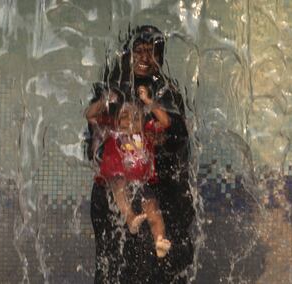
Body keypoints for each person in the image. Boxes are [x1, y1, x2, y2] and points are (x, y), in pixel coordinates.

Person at [87, 25, 195, 283]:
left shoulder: (167, 94)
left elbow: (181, 141)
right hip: (117, 193)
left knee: (160, 262)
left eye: (153, 52)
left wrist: (163, 142)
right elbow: (92, 142)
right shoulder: (111, 93)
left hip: (159, 190)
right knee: (115, 263)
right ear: (127, 54)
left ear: (161, 57)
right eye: (139, 51)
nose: (145, 58)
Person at [86, 98, 172, 258]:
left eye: (136, 117)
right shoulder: (112, 131)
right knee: (119, 184)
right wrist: (106, 99)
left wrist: (148, 101)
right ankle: (131, 218)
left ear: (143, 120)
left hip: (141, 184)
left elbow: (165, 121)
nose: (130, 121)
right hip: (117, 180)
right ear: (116, 120)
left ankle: (160, 241)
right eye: (125, 116)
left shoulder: (147, 132)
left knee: (153, 208)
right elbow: (90, 115)